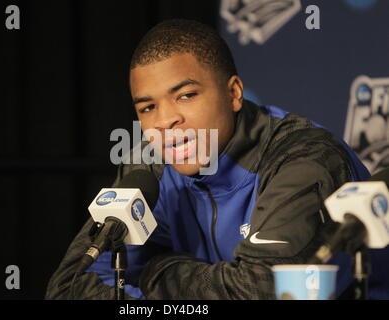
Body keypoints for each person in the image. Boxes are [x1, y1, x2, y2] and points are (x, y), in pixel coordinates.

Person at [45, 19, 389, 300]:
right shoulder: (149, 167)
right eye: (148, 107)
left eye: (186, 95)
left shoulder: (304, 158)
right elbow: (69, 286)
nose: (165, 121)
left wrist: (155, 271)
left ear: (233, 93)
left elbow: (271, 292)